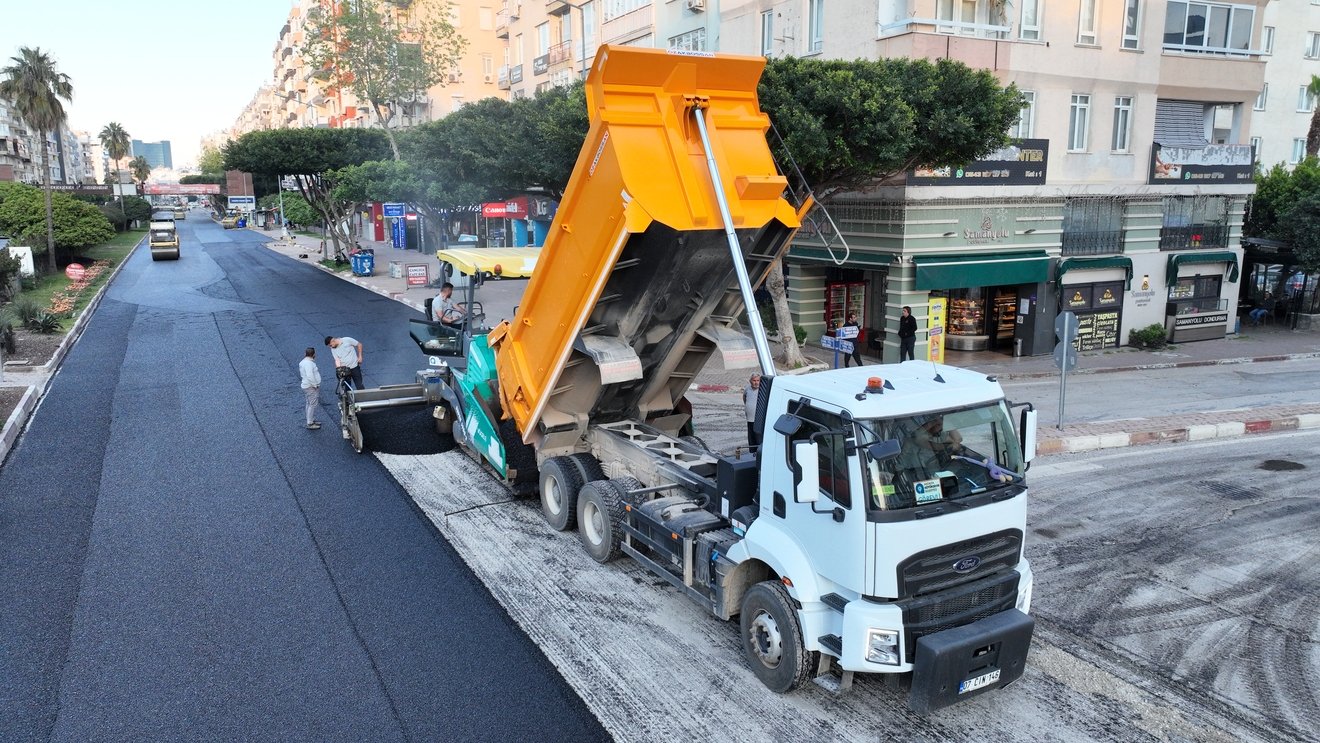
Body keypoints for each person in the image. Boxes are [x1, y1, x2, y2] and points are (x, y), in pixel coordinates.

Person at [298, 347, 322, 430]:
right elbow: (310, 375)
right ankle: (310, 423)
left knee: (309, 403)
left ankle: (311, 419)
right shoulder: (309, 364)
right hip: (310, 387)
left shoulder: (303, 362)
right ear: (314, 354)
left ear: (305, 354)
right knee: (312, 404)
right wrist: (315, 385)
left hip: (306, 386)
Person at [742, 373, 762, 446]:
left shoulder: (762, 390)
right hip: (750, 417)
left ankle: (758, 450)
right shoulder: (747, 389)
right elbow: (744, 398)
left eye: (758, 380)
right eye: (754, 380)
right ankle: (753, 450)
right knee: (751, 435)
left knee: (758, 435)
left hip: (758, 418)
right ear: (750, 381)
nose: (756, 382)